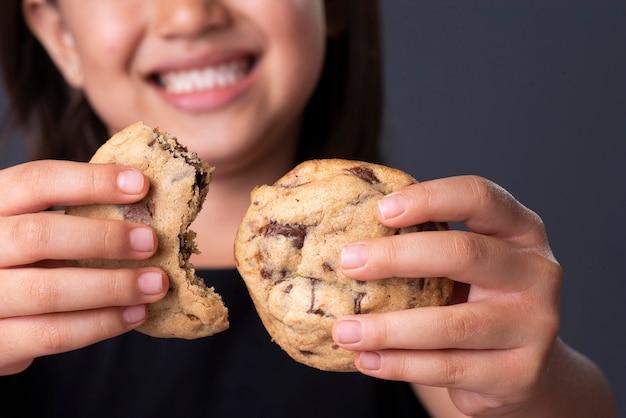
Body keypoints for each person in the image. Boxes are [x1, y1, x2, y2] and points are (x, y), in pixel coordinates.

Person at [0, 1, 616, 417]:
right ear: (60, 36)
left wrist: (535, 384)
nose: (189, 15)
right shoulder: (16, 303)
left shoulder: (416, 282)